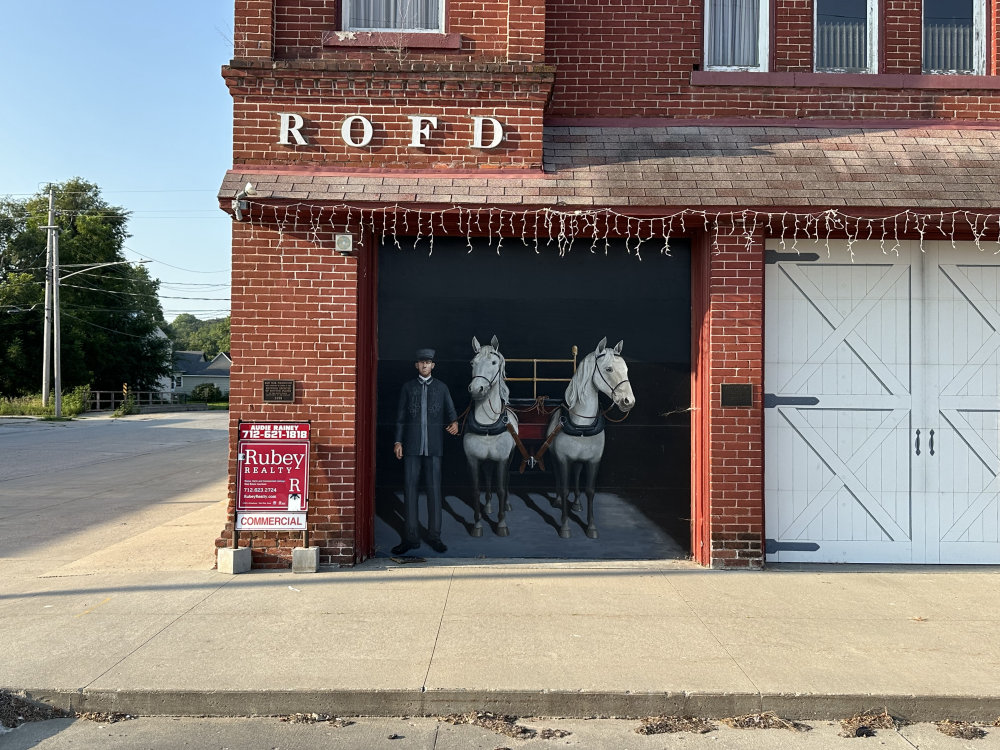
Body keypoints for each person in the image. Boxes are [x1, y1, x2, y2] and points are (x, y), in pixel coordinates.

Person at [392, 348, 459, 554]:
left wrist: (455, 424)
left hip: (434, 447)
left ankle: (434, 536)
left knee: (434, 492)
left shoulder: (441, 388)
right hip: (411, 447)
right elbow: (401, 417)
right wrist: (398, 442)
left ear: (433, 365)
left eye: (428, 363)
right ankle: (411, 538)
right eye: (421, 362)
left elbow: (451, 412)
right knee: (410, 491)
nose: (424, 365)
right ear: (416, 365)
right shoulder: (408, 388)